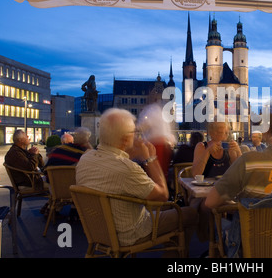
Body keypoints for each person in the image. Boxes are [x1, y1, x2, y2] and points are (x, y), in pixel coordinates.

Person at [75, 108, 197, 252]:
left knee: (165, 210)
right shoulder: (126, 168)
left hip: (98, 230)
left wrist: (128, 155)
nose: (137, 136)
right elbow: (162, 196)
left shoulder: (85, 159)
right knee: (190, 213)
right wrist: (151, 159)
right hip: (130, 233)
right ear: (126, 139)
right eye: (134, 132)